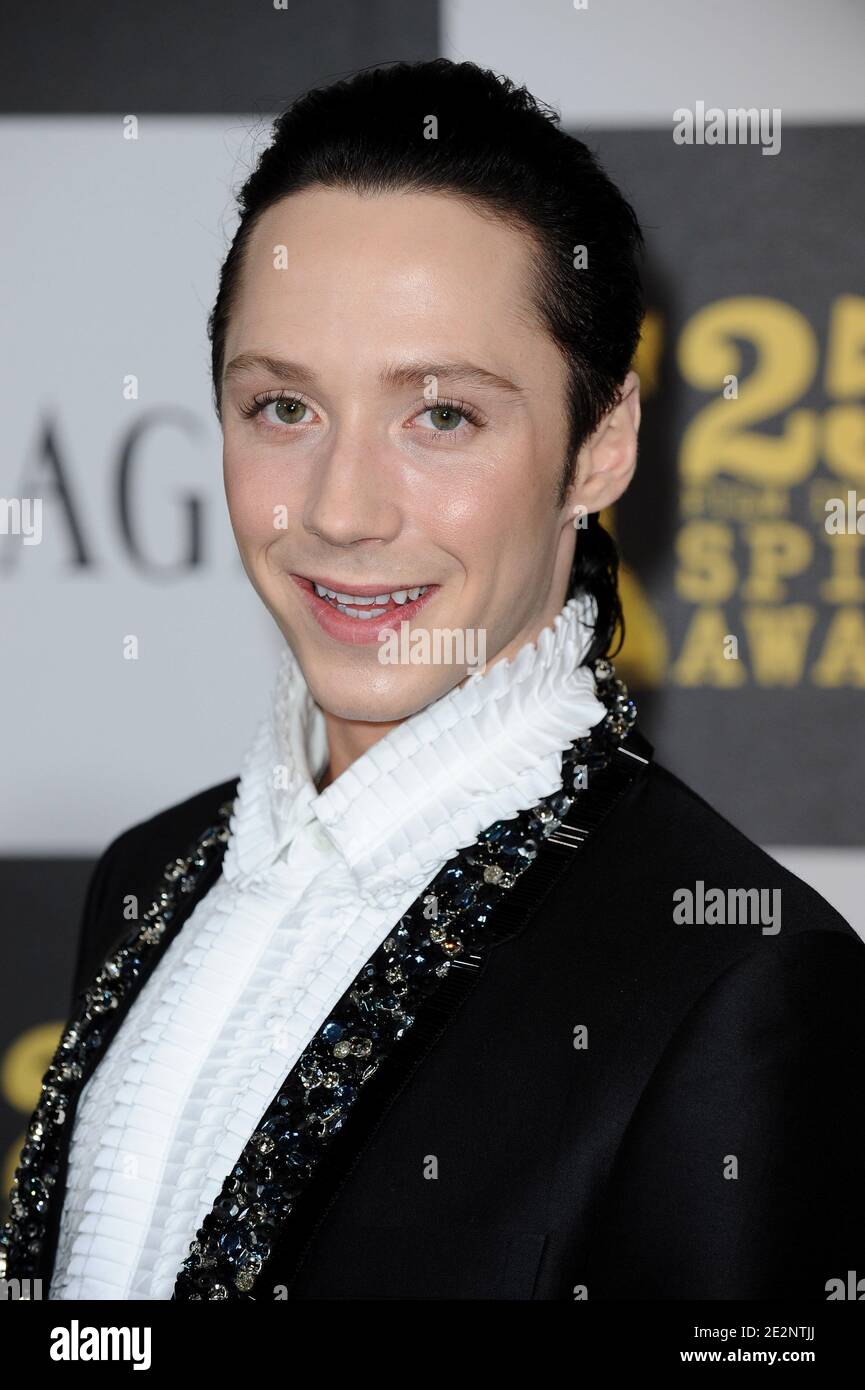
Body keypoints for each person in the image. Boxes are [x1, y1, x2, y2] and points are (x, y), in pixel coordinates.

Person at [3, 58, 863, 1302]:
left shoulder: (737, 987)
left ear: (599, 447)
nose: (340, 511)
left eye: (443, 416)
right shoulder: (149, 876)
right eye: (284, 405)